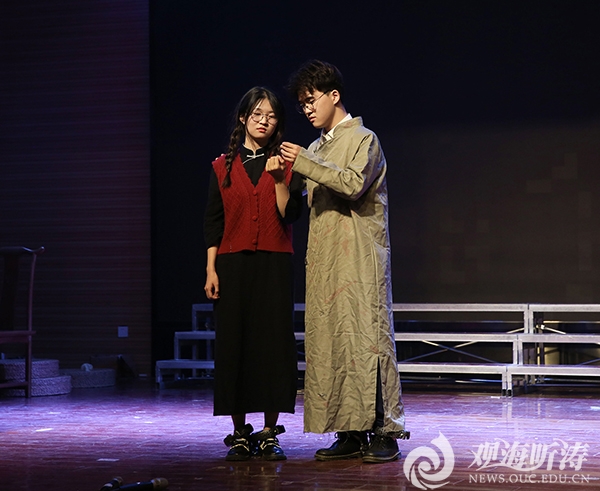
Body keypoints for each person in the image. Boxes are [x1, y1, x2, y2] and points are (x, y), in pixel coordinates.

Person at [279, 60, 409, 464]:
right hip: (325, 259)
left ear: (334, 95)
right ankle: (349, 431)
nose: (307, 109)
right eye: (302, 103)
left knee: (369, 339)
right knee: (333, 340)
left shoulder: (364, 139)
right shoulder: (316, 148)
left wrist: (304, 162)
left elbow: (352, 184)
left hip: (360, 257)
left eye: (312, 99)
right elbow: (301, 202)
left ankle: (385, 431)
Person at [204, 86, 303, 461]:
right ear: (243, 118)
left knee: (274, 344)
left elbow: (290, 215)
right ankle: (239, 432)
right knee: (235, 343)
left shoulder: (288, 164)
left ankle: (269, 432)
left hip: (274, 263)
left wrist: (279, 180)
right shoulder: (222, 166)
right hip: (232, 265)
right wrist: (211, 269)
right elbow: (213, 222)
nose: (264, 121)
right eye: (258, 114)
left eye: (272, 116)